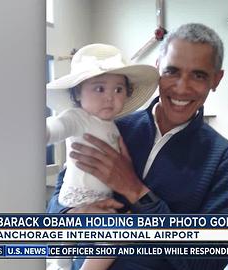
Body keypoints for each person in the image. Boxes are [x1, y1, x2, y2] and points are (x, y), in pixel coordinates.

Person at [48, 23, 228, 270]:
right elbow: (58, 200)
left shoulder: (225, 160)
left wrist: (136, 191)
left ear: (216, 79)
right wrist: (74, 214)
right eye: (172, 72)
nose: (181, 87)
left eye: (198, 75)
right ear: (158, 70)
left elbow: (207, 261)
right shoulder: (110, 127)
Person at [45, 43, 159, 270]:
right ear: (77, 92)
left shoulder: (115, 126)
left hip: (101, 200)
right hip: (76, 200)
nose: (110, 98)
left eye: (118, 90)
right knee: (112, 235)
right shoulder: (77, 118)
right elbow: (55, 128)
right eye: (99, 89)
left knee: (110, 235)